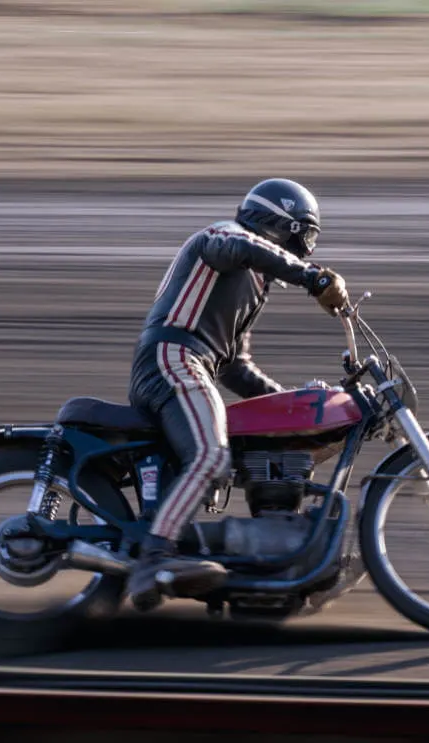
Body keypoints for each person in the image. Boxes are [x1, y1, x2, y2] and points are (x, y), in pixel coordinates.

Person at [125, 178, 349, 610]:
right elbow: (239, 246)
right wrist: (313, 277)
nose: (308, 247)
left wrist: (292, 406)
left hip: (193, 365)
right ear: (286, 225)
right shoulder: (223, 237)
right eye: (308, 235)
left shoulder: (251, 285)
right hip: (173, 358)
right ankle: (153, 560)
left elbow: (236, 367)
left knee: (236, 448)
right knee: (211, 455)